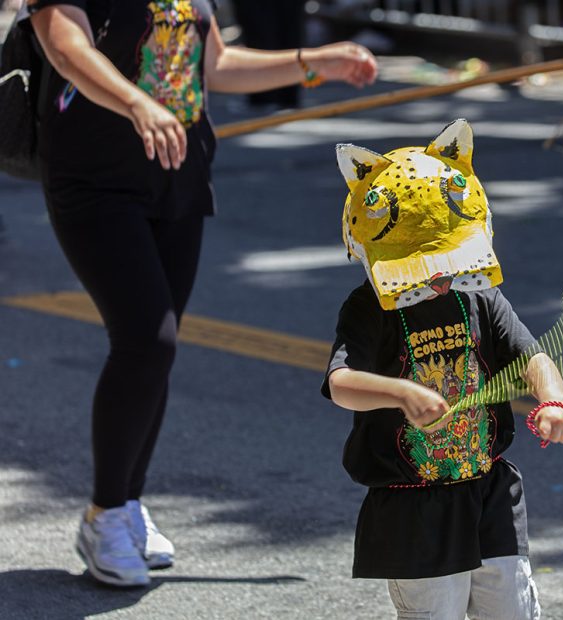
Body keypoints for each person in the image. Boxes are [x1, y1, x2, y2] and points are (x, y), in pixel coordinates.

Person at [24, 0, 377, 587]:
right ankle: (105, 512)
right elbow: (66, 49)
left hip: (177, 177)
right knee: (146, 340)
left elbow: (213, 66)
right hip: (95, 177)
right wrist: (138, 103)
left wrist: (317, 62)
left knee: (155, 351)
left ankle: (128, 503)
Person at [323, 119, 563, 618]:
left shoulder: (480, 296)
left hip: (487, 487)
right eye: (420, 266)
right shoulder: (369, 306)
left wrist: (554, 399)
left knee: (512, 607)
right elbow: (342, 385)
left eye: (449, 260)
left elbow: (534, 357)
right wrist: (401, 394)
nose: (438, 277)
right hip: (413, 501)